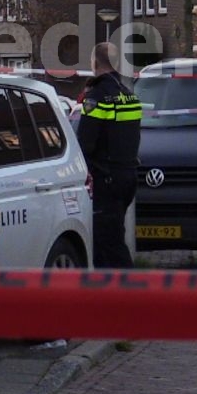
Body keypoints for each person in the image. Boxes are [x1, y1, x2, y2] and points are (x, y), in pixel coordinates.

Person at [77, 42, 142, 268]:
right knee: (112, 235)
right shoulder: (129, 95)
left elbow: (85, 142)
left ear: (95, 63)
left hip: (107, 178)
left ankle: (129, 294)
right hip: (128, 176)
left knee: (108, 242)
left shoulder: (97, 96)